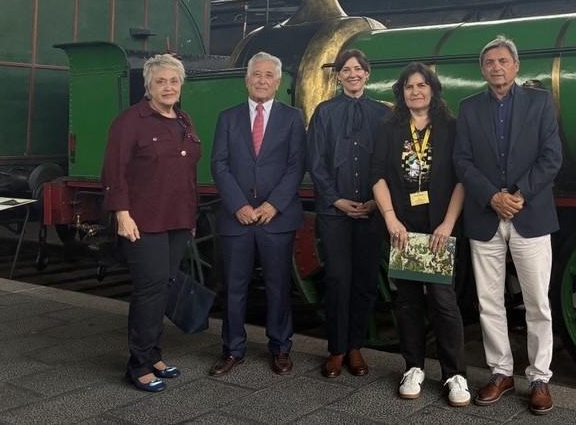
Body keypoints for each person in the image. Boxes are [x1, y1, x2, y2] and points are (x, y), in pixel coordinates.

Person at [453, 35, 562, 415]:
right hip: (486, 216)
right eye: (490, 62)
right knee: (489, 301)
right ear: (482, 70)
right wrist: (491, 197)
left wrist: (519, 194)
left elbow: (552, 157)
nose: (496, 67)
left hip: (529, 214)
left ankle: (540, 377)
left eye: (503, 61)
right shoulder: (468, 108)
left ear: (516, 66)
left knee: (538, 302)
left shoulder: (540, 102)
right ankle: (500, 372)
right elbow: (462, 161)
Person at [371, 62, 470, 407]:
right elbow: (377, 175)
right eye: (409, 86)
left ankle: (455, 374)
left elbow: (461, 178)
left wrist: (448, 223)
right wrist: (390, 219)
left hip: (439, 227)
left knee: (443, 300)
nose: (416, 91)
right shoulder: (389, 129)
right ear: (402, 92)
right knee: (408, 301)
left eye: (421, 85)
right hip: (403, 227)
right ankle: (413, 367)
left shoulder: (450, 128)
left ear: (433, 89)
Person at [101, 54, 200, 393]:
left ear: (181, 84)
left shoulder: (183, 120)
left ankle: (154, 355)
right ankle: (138, 365)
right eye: (161, 81)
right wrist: (121, 213)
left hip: (177, 218)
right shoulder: (130, 121)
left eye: (173, 81)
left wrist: (190, 218)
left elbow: (187, 175)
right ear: (148, 86)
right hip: (143, 220)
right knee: (149, 289)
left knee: (164, 286)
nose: (168, 87)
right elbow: (114, 170)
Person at [209, 51, 306, 377]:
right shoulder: (227, 118)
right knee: (234, 288)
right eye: (256, 74)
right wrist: (239, 205)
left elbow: (296, 166)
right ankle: (232, 349)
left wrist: (272, 205)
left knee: (278, 286)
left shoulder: (292, 118)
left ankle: (280, 348)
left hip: (276, 219)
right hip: (237, 218)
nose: (262, 80)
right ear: (246, 79)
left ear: (277, 82)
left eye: (268, 75)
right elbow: (219, 165)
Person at [307, 49, 389, 378]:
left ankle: (356, 346)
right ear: (338, 75)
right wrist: (337, 200)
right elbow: (315, 163)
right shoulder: (324, 112)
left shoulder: (382, 114)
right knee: (338, 279)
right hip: (334, 213)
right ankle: (336, 349)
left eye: (358, 68)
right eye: (346, 69)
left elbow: (387, 162)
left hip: (371, 210)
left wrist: (374, 202)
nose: (353, 74)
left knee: (365, 281)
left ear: (367, 74)